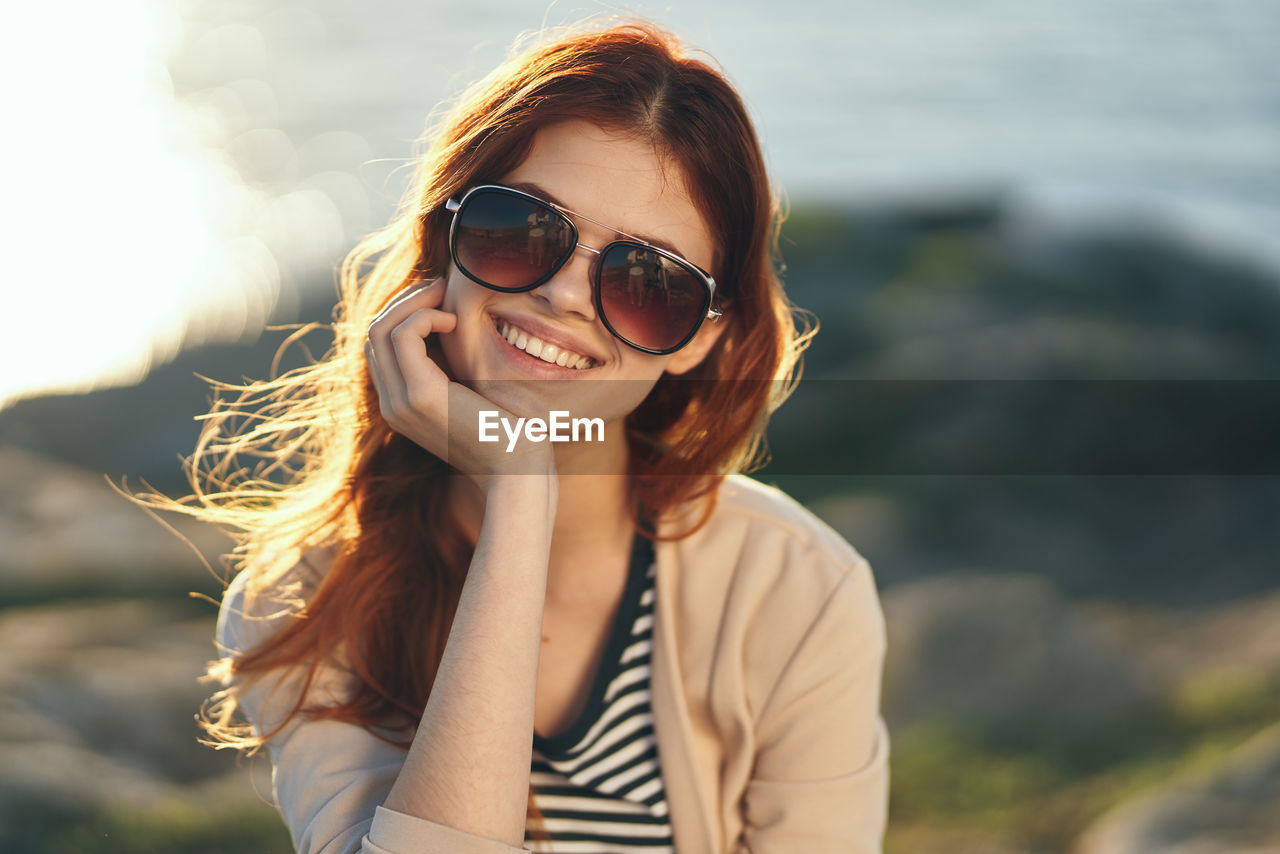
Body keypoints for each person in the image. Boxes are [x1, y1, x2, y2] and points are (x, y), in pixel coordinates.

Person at [187, 19, 888, 854]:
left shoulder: (799, 591)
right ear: (444, 237)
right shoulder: (307, 597)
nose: (563, 295)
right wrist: (521, 494)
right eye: (521, 228)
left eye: (646, 280)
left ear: (702, 337)